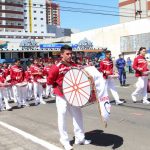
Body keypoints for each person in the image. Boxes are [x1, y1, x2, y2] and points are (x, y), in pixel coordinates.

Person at [47, 45, 91, 150]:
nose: (70, 56)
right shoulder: (56, 67)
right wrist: (58, 87)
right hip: (61, 95)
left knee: (78, 115)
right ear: (61, 55)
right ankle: (64, 140)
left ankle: (80, 138)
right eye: (67, 54)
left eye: (71, 54)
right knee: (62, 116)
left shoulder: (74, 65)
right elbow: (49, 81)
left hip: (74, 95)